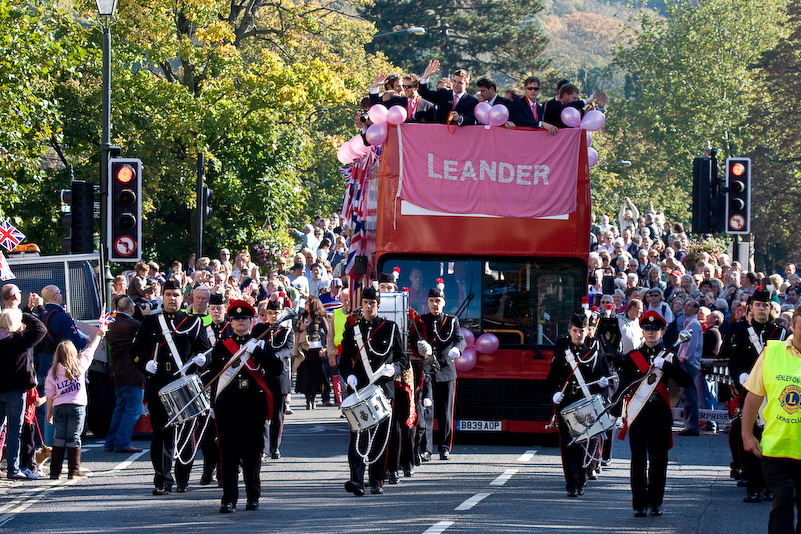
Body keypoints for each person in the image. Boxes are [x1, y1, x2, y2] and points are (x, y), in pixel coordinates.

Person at [132, 279, 211, 495]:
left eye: (176, 295)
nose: (172, 299)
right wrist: (145, 365)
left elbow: (206, 352)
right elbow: (135, 352)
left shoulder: (192, 322)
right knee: (161, 434)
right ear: (163, 297)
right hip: (159, 384)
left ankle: (183, 478)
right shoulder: (150, 322)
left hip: (185, 384)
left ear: (182, 298)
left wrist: (202, 360)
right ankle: (162, 480)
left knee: (186, 434)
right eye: (168, 295)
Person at [611, 311, 692, 517]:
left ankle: (656, 502)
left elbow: (686, 381)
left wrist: (666, 366)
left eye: (655, 330)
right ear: (643, 332)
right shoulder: (632, 357)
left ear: (662, 332)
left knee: (659, 460)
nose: (651, 333)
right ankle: (639, 503)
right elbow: (624, 385)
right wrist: (615, 411)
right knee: (638, 460)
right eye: (647, 330)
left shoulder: (669, 356)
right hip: (638, 415)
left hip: (660, 414)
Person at [209, 299, 282, 513]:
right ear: (230, 322)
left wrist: (257, 352)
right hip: (227, 407)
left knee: (252, 454)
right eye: (236, 318)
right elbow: (215, 375)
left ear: (252, 321)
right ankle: (229, 498)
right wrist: (213, 405)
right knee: (228, 455)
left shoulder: (260, 344)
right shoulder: (222, 347)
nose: (240, 321)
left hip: (253, 407)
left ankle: (253, 496)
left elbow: (277, 368)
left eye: (244, 318)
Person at [340, 287, 407, 496]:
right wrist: (348, 375)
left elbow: (403, 359)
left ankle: (376, 479)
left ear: (378, 305)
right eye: (366, 302)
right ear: (362, 304)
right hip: (361, 391)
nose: (369, 306)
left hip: (383, 391)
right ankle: (356, 480)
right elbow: (343, 362)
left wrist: (394, 369)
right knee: (358, 436)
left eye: (373, 303)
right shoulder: (352, 331)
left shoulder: (390, 328)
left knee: (380, 438)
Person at [725, 287, 788, 502]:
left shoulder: (780, 333)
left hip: (773, 393)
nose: (762, 309)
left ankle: (769, 486)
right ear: (751, 307)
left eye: (766, 306)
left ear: (771, 309)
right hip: (751, 391)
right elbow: (734, 360)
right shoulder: (742, 332)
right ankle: (752, 485)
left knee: (770, 438)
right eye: (758, 305)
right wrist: (740, 376)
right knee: (750, 435)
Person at [742, 307, 801, 533]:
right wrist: (747, 434)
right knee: (783, 502)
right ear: (792, 328)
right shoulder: (771, 354)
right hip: (777, 448)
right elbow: (754, 396)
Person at [547, 308, 610, 497]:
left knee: (585, 444)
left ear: (588, 331)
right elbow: (552, 378)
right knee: (568, 445)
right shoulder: (562, 347)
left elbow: (603, 374)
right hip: (567, 402)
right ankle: (572, 483)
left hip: (587, 403)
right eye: (575, 330)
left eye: (582, 330)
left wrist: (603, 385)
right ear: (570, 330)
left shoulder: (595, 348)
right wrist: (554, 394)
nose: (578, 334)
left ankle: (582, 479)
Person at [46, 327, 105, 479]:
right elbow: (90, 350)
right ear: (73, 353)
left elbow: (49, 393)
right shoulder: (79, 366)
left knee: (59, 438)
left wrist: (49, 411)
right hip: (77, 407)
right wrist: (98, 335)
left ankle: (54, 472)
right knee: (74, 438)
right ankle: (74, 471)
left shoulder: (52, 372)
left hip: (59, 407)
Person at [415, 285, 466, 461]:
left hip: (446, 370)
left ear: (444, 303)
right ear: (427, 303)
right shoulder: (421, 321)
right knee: (427, 411)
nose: (434, 304)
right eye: (431, 301)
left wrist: (457, 350)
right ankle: (426, 449)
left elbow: (460, 340)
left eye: (438, 301)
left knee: (445, 412)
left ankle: (444, 447)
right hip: (427, 371)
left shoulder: (452, 321)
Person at [0, 308, 46, 479]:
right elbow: (41, 329)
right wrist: (23, 313)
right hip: (15, 392)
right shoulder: (18, 340)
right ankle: (12, 469)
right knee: (14, 431)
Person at [253, 299, 294, 460]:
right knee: (262, 415)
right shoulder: (258, 330)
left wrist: (277, 356)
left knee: (277, 416)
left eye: (276, 313)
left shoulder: (286, 331)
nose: (273, 316)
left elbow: (288, 351)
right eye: (270, 313)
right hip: (262, 376)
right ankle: (263, 448)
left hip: (278, 377)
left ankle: (274, 446)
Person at [104, 296, 145, 453]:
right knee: (133, 410)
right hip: (130, 372)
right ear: (131, 308)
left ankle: (111, 441)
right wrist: (146, 314)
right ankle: (122, 442)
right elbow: (145, 332)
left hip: (117, 371)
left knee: (120, 408)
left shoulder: (112, 323)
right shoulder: (132, 324)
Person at [198, 293, 231, 486]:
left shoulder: (230, 329)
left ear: (225, 308)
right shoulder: (204, 328)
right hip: (208, 383)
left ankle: (222, 470)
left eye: (219, 308)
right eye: (213, 309)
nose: (216, 312)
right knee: (207, 432)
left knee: (225, 431)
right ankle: (208, 468)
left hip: (226, 383)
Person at [418, 59, 478, 126]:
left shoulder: (472, 101)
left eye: (460, 83)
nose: (456, 85)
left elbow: (471, 119)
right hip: (441, 133)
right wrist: (426, 76)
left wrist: (460, 119)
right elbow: (424, 93)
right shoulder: (443, 93)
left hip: (460, 134)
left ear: (466, 84)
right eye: (454, 81)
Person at [294, 295, 329, 409]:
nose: (305, 304)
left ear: (313, 304)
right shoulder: (302, 315)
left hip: (316, 348)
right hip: (304, 348)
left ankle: (312, 397)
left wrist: (325, 348)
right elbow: (295, 328)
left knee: (315, 375)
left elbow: (328, 333)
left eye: (307, 303)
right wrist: (300, 328)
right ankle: (307, 397)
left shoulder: (319, 317)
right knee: (305, 374)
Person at [676, 299, 703, 436]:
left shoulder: (694, 324)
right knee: (686, 396)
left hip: (688, 363)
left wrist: (683, 358)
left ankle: (692, 426)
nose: (685, 307)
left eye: (689, 306)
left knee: (690, 396)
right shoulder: (688, 323)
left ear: (696, 310)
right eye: (685, 305)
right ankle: (689, 425)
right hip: (686, 362)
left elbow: (690, 345)